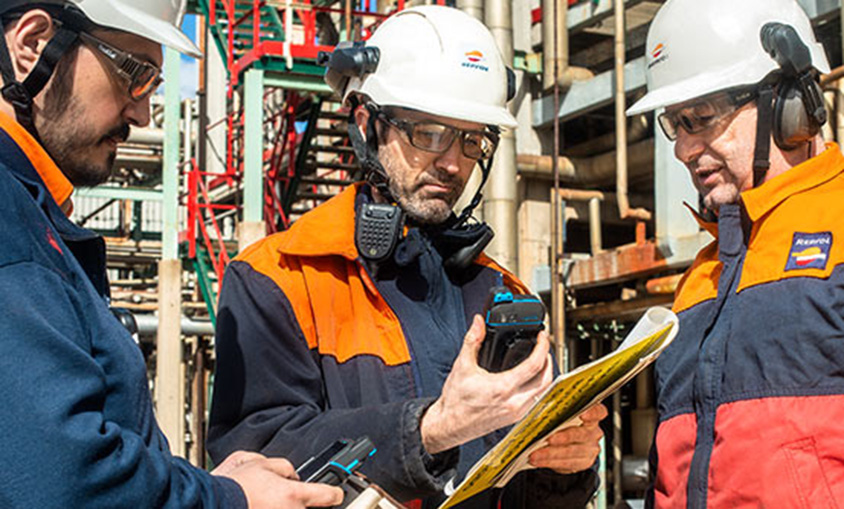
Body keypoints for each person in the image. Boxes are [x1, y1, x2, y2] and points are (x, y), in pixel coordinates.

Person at [207, 5, 606, 508]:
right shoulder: (279, 278)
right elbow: (252, 461)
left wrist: (563, 467)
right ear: (365, 122)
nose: (453, 161)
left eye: (472, 139)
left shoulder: (503, 293)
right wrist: (429, 431)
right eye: (430, 133)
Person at [0, 1, 344, 507]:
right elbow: (64, 483)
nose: (142, 112)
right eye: (133, 73)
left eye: (154, 86)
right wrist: (229, 500)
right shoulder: (11, 225)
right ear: (31, 44)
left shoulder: (33, 216)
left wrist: (212, 486)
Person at [626, 0, 844, 506]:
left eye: (700, 118)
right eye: (674, 124)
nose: (682, 149)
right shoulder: (699, 280)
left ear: (789, 103)